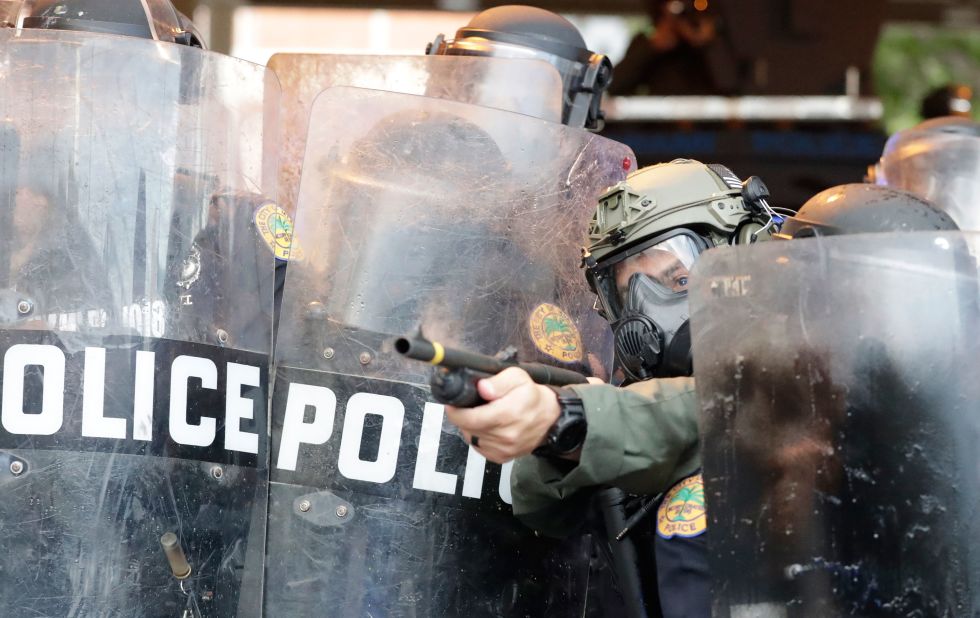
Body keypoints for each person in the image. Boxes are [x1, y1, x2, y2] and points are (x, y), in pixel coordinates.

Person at [446, 158, 778, 617]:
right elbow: (543, 506)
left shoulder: (807, 371)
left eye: (679, 280)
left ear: (747, 252)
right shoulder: (630, 402)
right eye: (629, 294)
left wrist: (568, 418)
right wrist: (553, 434)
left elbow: (722, 410)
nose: (649, 316)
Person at [428, 5, 612, 130]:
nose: (498, 113)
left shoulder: (586, 182)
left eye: (525, 101)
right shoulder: (414, 151)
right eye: (469, 89)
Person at [609, 0, 737, 96]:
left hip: (703, 125)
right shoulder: (647, 41)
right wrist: (651, 48)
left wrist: (708, 44)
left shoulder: (711, 43)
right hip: (663, 126)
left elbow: (733, 84)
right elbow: (614, 85)